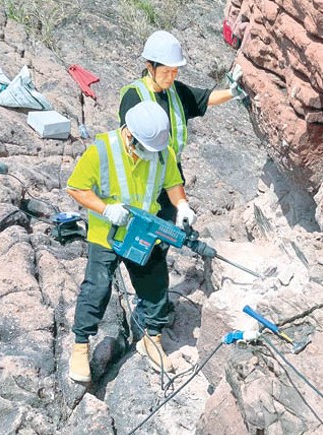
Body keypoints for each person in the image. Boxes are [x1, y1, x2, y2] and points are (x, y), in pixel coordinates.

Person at [67, 100, 197, 383]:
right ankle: (80, 345)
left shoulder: (162, 151)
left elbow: (172, 183)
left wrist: (183, 205)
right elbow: (76, 187)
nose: (152, 153)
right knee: (97, 287)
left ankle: (152, 338)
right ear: (130, 135)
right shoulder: (101, 151)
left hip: (143, 230)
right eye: (146, 148)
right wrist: (104, 209)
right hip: (107, 233)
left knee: (155, 284)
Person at [119, 29, 247, 223]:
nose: (170, 77)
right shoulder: (134, 95)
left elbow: (205, 99)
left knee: (164, 236)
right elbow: (126, 141)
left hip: (170, 176)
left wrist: (231, 92)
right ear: (150, 67)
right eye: (165, 72)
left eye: (174, 72)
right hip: (143, 177)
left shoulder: (176, 92)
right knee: (139, 236)